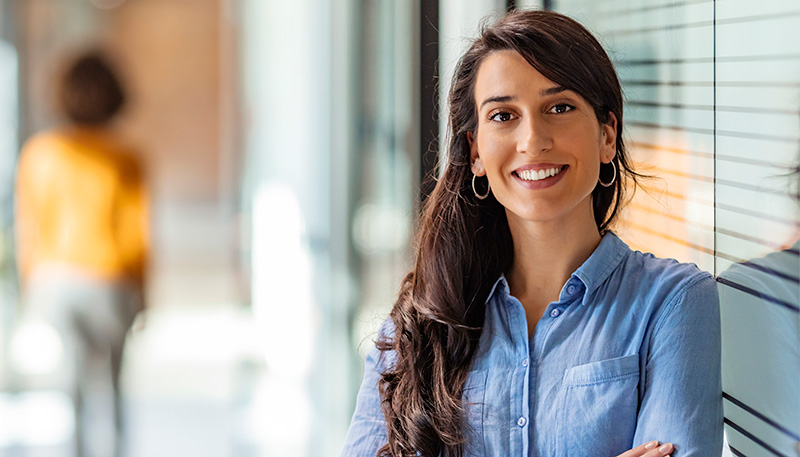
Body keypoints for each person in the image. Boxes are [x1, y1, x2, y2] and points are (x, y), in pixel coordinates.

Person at [340, 10, 722, 457]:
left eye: (559, 108)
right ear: (476, 151)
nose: (533, 139)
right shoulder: (421, 323)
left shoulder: (672, 303)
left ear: (607, 135)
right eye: (503, 116)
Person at [14, 51, 147, 457]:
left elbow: (29, 228)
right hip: (111, 280)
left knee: (71, 390)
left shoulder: (40, 153)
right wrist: (143, 295)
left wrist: (29, 290)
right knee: (114, 385)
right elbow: (135, 234)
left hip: (55, 281)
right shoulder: (126, 157)